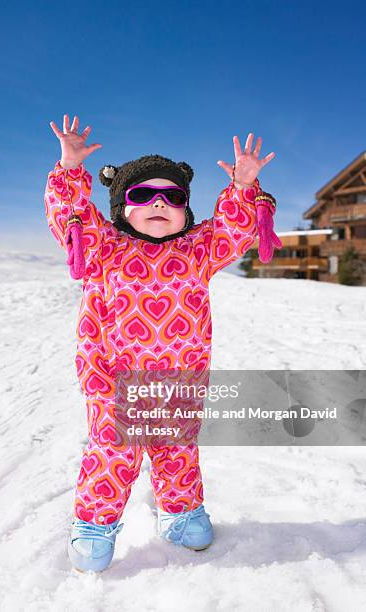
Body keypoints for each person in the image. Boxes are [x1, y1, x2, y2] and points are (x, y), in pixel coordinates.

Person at [44, 114, 281, 573]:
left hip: (179, 380)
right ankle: (94, 524)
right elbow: (68, 216)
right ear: (120, 208)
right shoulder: (103, 247)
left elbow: (234, 231)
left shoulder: (197, 250)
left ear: (186, 209)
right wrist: (71, 168)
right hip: (114, 382)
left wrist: (244, 188)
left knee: (177, 448)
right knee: (113, 451)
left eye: (172, 196)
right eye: (143, 194)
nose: (159, 202)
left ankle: (180, 513)